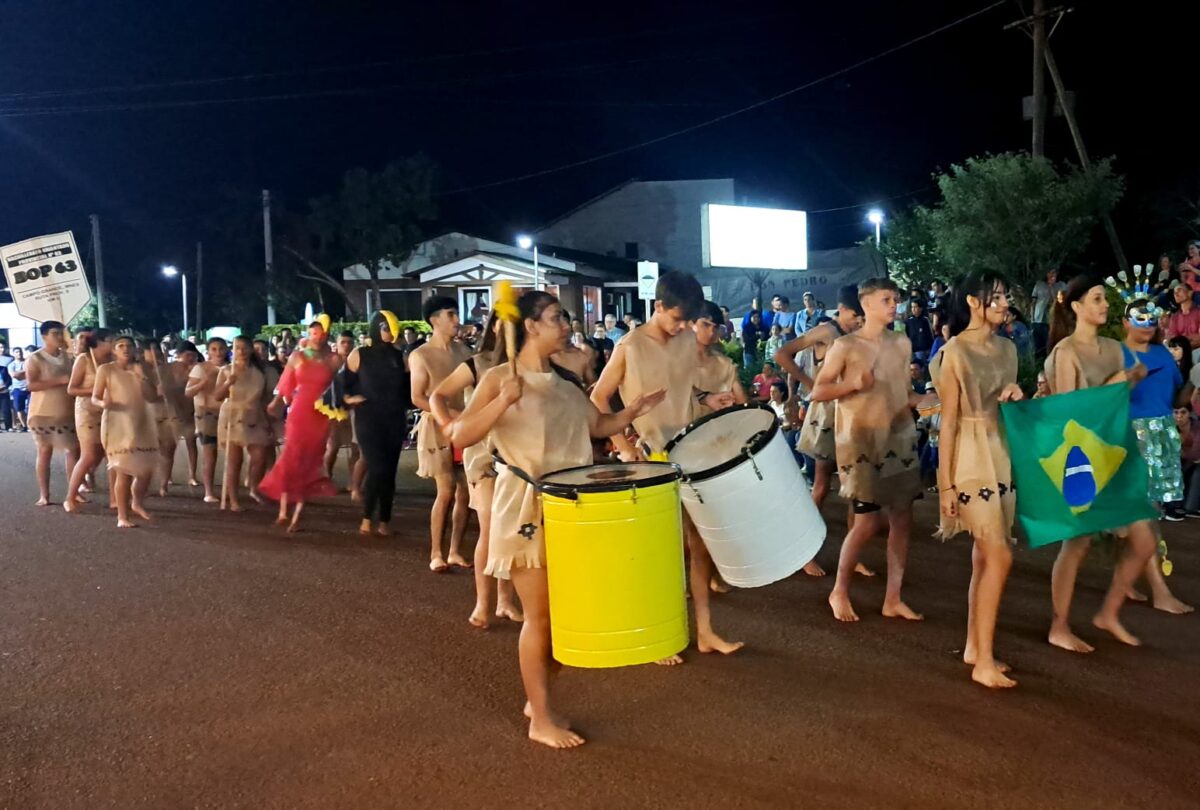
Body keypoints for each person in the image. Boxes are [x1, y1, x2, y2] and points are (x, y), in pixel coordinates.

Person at [448, 290, 665, 749]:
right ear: (530, 326)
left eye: (563, 317)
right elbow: (461, 434)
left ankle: (537, 696)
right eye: (555, 317)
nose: (565, 324)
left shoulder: (565, 383)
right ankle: (540, 718)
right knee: (541, 619)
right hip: (527, 508)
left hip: (575, 510)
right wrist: (501, 401)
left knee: (571, 619)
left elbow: (597, 427)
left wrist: (632, 412)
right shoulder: (499, 378)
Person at [592, 271, 743, 660]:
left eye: (686, 321)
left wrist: (707, 399)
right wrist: (624, 446)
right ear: (657, 306)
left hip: (690, 450)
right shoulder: (630, 345)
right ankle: (662, 633)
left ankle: (706, 631)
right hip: (651, 459)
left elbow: (684, 390)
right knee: (664, 551)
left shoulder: (686, 340)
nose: (681, 327)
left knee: (700, 544)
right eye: (676, 319)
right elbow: (599, 397)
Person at [1043, 276, 1158, 651]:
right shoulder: (1065, 352)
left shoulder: (1112, 347)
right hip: (1082, 459)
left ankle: (1108, 612)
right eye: (1096, 299)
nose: (1104, 305)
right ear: (1075, 307)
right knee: (1077, 544)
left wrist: (1130, 380)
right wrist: (1118, 381)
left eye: (1105, 299)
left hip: (1116, 450)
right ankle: (1059, 625)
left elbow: (1116, 396)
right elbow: (1068, 414)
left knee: (1144, 539)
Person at [809, 278, 925, 623]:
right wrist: (853, 385)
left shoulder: (901, 343)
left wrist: (934, 401)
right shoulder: (845, 345)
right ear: (867, 304)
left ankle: (893, 598)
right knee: (866, 522)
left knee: (902, 518)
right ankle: (839, 591)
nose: (894, 305)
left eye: (896, 299)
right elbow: (818, 392)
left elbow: (905, 394)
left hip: (900, 438)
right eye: (887, 299)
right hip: (859, 441)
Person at [930, 270, 1024, 688]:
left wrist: (1018, 395)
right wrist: (945, 485)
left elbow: (1009, 407)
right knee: (999, 554)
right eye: (997, 296)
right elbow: (946, 424)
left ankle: (975, 647)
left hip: (1000, 451)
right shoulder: (955, 352)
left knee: (986, 556)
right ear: (973, 301)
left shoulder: (1008, 348)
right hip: (968, 455)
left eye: (1005, 297)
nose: (1005, 304)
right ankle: (983, 660)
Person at [430, 313, 523, 627]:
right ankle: (484, 604)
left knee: (511, 528)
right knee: (490, 526)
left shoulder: (529, 366)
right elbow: (437, 395)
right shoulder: (476, 364)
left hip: (516, 457)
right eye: (504, 322)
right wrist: (449, 423)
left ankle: (506, 600)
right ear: (494, 325)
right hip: (481, 456)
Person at [1119, 299, 1193, 611]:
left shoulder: (1163, 352)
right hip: (1132, 436)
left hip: (1163, 433)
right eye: (1139, 319)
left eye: (1151, 320)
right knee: (1145, 513)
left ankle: (1126, 581)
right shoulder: (1117, 355)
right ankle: (1160, 592)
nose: (1146, 324)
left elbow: (1178, 392)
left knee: (1147, 512)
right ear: (1125, 322)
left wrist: (1186, 404)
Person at [775, 285, 864, 512]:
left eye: (862, 315)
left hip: (851, 411)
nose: (859, 320)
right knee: (822, 481)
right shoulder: (825, 331)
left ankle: (857, 530)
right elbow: (782, 353)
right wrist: (809, 384)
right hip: (826, 413)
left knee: (855, 480)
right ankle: (810, 527)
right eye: (855, 315)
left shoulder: (856, 334)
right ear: (842, 309)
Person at [260, 318, 341, 532]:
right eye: (313, 332)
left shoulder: (334, 360)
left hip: (321, 414)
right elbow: (285, 383)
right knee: (291, 457)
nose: (317, 336)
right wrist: (276, 402)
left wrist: (340, 409)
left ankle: (297, 514)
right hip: (299, 412)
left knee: (310, 460)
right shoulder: (297, 356)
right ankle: (284, 510)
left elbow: (340, 388)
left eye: (321, 333)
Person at [410, 296, 473, 572]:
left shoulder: (464, 352)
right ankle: (436, 552)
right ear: (435, 320)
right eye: (451, 314)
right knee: (445, 489)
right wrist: (446, 414)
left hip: (464, 425)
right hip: (436, 426)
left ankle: (455, 550)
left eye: (456, 314)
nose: (456, 320)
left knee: (465, 493)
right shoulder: (420, 355)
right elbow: (417, 396)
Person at [343, 311, 410, 537]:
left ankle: (384, 521)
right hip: (368, 419)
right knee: (378, 467)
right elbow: (341, 384)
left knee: (389, 472)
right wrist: (350, 399)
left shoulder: (399, 356)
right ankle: (366, 518)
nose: (390, 333)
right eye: (385, 328)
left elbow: (408, 390)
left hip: (394, 419)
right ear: (375, 328)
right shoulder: (359, 354)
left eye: (392, 329)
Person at [92, 336, 162, 528]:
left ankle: (137, 502)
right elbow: (95, 397)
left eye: (129, 346)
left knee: (145, 469)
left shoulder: (142, 369)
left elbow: (152, 397)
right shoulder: (106, 369)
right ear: (114, 350)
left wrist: (142, 376)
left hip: (141, 421)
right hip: (117, 423)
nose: (125, 349)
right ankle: (122, 516)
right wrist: (102, 403)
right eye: (121, 346)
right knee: (122, 470)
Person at [24, 321, 80, 506]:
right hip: (43, 413)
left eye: (61, 334)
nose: (59, 337)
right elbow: (31, 385)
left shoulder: (69, 358)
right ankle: (44, 494)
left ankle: (73, 491)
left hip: (67, 411)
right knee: (44, 451)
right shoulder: (35, 358)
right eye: (55, 333)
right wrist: (59, 380)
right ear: (44, 336)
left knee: (73, 451)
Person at [214, 335, 272, 512]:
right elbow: (218, 396)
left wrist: (268, 420)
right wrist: (227, 383)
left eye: (245, 347)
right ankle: (233, 499)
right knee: (234, 461)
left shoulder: (260, 371)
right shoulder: (226, 371)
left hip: (254, 416)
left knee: (259, 457)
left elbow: (265, 398)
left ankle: (253, 487)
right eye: (238, 347)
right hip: (232, 416)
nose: (242, 351)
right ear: (233, 350)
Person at [64, 328, 116, 512]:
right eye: (111, 340)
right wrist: (97, 390)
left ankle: (115, 497)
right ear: (100, 342)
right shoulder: (84, 359)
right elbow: (72, 389)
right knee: (89, 455)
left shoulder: (112, 361)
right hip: (87, 411)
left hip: (108, 411)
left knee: (111, 455)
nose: (114, 344)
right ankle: (70, 496)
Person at [185, 338, 229, 504]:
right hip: (207, 413)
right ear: (208, 351)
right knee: (210, 453)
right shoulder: (200, 368)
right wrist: (204, 381)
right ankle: (209, 491)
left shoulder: (231, 368)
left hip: (228, 412)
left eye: (221, 349)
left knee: (232, 454)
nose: (218, 352)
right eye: (214, 349)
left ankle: (229, 490)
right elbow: (188, 392)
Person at [323, 331, 361, 495]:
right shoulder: (330, 362)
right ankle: (325, 480)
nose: (346, 345)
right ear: (336, 345)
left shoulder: (358, 361)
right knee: (332, 447)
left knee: (355, 447)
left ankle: (353, 482)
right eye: (343, 342)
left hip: (354, 409)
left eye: (349, 342)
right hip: (333, 409)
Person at [550, 315, 598, 388]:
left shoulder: (581, 355)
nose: (565, 327)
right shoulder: (538, 358)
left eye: (565, 322)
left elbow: (592, 385)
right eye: (556, 321)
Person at [1030, 268, 1066, 353]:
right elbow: (1034, 301)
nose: (1052, 275)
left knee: (1050, 342)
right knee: (1038, 344)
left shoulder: (1061, 285)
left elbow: (1060, 301)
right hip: (1039, 318)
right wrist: (1032, 317)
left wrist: (1051, 288)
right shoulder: (1039, 284)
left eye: (1054, 272)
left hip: (1053, 319)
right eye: (1050, 272)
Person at [1178, 405, 1200, 517]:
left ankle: (1190, 507)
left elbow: (1195, 454)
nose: (1179, 417)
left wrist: (1181, 452)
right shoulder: (1169, 428)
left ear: (1189, 414)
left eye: (1183, 413)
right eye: (1176, 413)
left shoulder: (1197, 428)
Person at [1164, 281, 1200, 348]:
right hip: (1181, 351)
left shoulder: (1198, 312)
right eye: (1174, 292)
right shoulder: (1175, 317)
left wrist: (1181, 340)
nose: (1176, 294)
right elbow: (1171, 339)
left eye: (1179, 290)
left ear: (1190, 293)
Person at [8, 347, 30, 432]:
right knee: (19, 408)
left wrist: (20, 373)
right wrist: (25, 371)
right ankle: (24, 426)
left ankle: (30, 425)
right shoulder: (11, 365)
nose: (19, 353)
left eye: (20, 351)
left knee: (29, 408)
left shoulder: (27, 362)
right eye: (17, 352)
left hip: (29, 388)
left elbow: (31, 372)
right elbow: (13, 375)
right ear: (13, 354)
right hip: (17, 389)